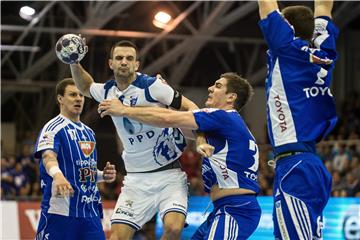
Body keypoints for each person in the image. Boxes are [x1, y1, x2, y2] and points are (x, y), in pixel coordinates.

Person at [98, 72, 262, 239]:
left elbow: (170, 120)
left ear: (231, 98)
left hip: (236, 208)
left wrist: (124, 110)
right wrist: (165, 98)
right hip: (226, 207)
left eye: (218, 86)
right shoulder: (226, 124)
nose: (210, 88)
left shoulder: (222, 117)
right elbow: (179, 125)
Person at [70, 40, 206, 240]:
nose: (124, 62)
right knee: (117, 237)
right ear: (111, 64)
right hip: (135, 179)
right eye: (119, 58)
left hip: (169, 175)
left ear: (136, 65)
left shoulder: (153, 87)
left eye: (129, 58)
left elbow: (191, 107)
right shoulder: (108, 91)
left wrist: (200, 139)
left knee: (174, 229)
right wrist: (74, 62)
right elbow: (86, 87)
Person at [257, 0, 339, 239]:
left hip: (295, 166)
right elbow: (324, 6)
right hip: (310, 163)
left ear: (287, 26)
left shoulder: (285, 48)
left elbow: (267, 5)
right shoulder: (325, 51)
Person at [34, 78, 116, 240]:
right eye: (72, 95)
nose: (78, 98)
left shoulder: (89, 132)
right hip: (61, 213)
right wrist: (57, 175)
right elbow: (48, 157)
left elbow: (83, 172)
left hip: (90, 213)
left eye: (81, 95)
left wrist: (101, 175)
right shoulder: (53, 128)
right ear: (60, 99)